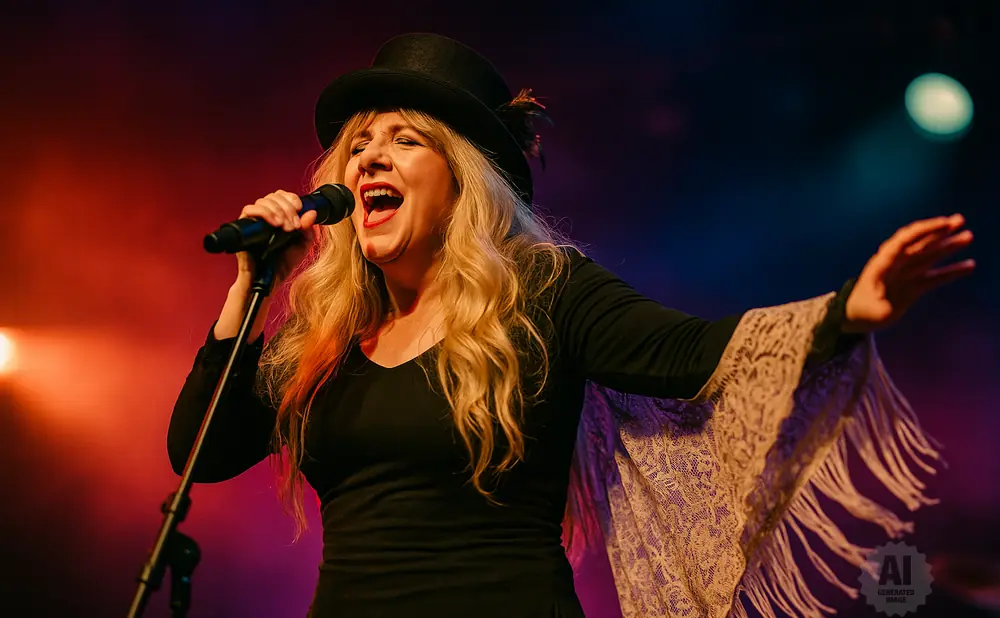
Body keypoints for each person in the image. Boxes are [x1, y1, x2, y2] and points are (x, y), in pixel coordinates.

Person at [167, 33, 975, 618]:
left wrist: (843, 312)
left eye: (404, 140)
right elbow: (200, 452)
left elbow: (690, 356)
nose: (368, 160)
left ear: (463, 180)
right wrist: (249, 283)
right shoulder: (327, 335)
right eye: (359, 145)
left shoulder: (545, 295)